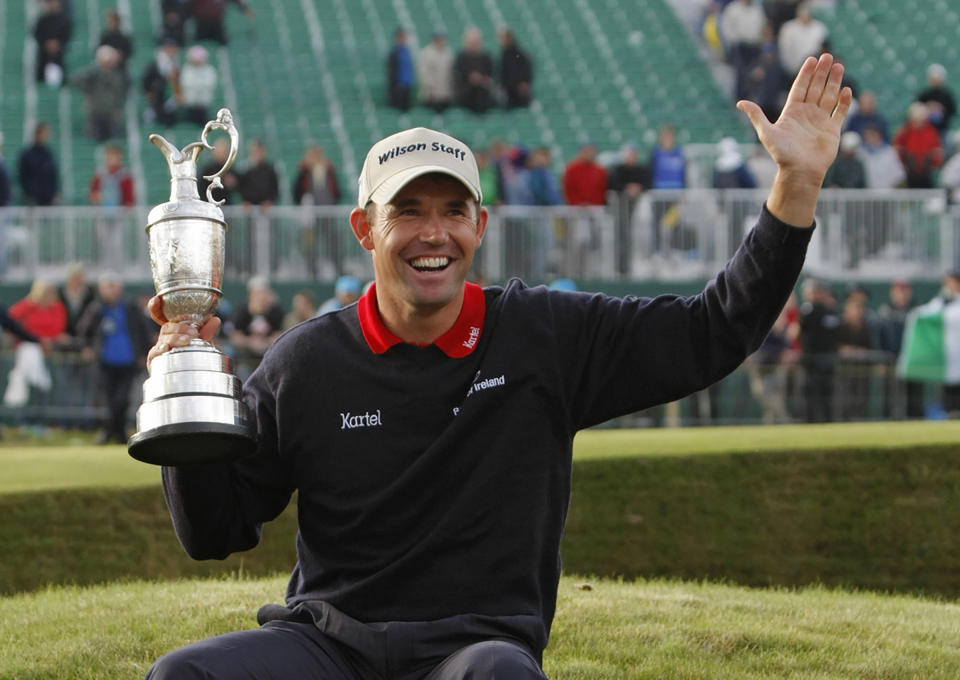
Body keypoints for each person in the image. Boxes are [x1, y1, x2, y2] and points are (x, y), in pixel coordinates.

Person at [143, 54, 851, 680]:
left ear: (479, 226)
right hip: (331, 648)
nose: (433, 234)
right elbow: (214, 534)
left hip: (475, 651)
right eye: (408, 211)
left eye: (454, 211)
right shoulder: (306, 362)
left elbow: (713, 331)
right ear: (365, 227)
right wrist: (184, 406)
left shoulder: (544, 335)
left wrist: (795, 185)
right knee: (183, 674)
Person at [77, 272, 153, 444]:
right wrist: (87, 347)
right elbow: (84, 331)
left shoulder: (130, 307)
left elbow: (143, 331)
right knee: (109, 400)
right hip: (105, 362)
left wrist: (144, 353)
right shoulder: (96, 309)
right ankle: (115, 432)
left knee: (122, 398)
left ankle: (114, 432)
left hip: (128, 361)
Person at [294, 145, 342, 278]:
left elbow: (336, 190)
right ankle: (312, 270)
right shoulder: (304, 171)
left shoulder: (328, 169)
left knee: (331, 242)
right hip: (310, 215)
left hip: (327, 212)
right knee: (309, 244)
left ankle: (338, 269)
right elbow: (297, 190)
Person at [799, 276, 840, 423]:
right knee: (809, 395)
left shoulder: (829, 311)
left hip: (826, 358)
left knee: (826, 395)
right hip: (810, 359)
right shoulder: (807, 311)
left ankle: (827, 422)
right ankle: (808, 422)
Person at [228, 276, 285, 379]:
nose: (262, 297)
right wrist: (250, 342)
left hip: (268, 358)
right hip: (246, 359)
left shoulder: (275, 311)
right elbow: (234, 337)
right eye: (259, 293)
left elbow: (280, 336)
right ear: (251, 294)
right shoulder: (242, 311)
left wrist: (265, 342)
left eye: (264, 293)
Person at [69, 44, 128, 141]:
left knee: (114, 141)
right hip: (94, 114)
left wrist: (118, 108)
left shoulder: (117, 76)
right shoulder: (92, 74)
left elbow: (120, 94)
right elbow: (75, 80)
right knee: (93, 140)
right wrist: (95, 70)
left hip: (111, 115)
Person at [893, 101, 944, 188]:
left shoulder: (931, 131)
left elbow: (937, 151)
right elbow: (898, 149)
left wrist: (934, 162)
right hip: (909, 170)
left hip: (927, 170)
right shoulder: (905, 131)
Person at [777, 2, 828, 77]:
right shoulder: (788, 28)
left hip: (814, 66)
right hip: (791, 68)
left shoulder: (819, 27)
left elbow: (823, 48)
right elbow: (785, 49)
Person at [17, 122, 59, 206]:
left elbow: (53, 175)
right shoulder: (27, 154)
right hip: (32, 199)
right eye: (44, 133)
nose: (46, 136)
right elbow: (23, 176)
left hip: (48, 199)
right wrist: (30, 193)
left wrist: (54, 192)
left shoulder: (48, 153)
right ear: (37, 134)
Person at [454, 27, 494, 113]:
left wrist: (481, 79)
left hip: (483, 98)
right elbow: (457, 75)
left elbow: (491, 75)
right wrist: (470, 78)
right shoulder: (461, 57)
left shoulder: (486, 57)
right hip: (465, 98)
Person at [142, 39, 181, 126]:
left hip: (169, 97)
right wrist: (149, 93)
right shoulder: (155, 64)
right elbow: (146, 80)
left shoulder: (176, 64)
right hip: (157, 97)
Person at [34, 0, 72, 85]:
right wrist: (46, 43)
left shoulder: (64, 20)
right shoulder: (42, 20)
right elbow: (37, 34)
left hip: (59, 51)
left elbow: (67, 35)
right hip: (44, 52)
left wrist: (58, 43)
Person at [179, 45, 217, 126]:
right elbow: (187, 84)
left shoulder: (209, 70)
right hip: (190, 105)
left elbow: (209, 85)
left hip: (204, 105)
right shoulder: (187, 70)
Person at [916, 63, 956, 138]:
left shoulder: (947, 95)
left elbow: (953, 111)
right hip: (925, 129)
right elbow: (915, 110)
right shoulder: (924, 94)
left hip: (942, 129)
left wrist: (942, 109)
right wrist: (927, 108)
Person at [418, 33, 455, 112]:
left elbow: (450, 73)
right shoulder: (426, 53)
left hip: (445, 94)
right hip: (431, 94)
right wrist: (431, 86)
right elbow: (424, 74)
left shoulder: (447, 53)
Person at [562, 142, 607, 206]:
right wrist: (576, 202)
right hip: (576, 208)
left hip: (596, 207)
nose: (589, 153)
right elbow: (569, 189)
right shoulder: (572, 169)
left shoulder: (600, 170)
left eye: (591, 151)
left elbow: (602, 190)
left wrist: (595, 203)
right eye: (586, 151)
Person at [498, 28, 533, 109]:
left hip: (519, 92)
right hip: (509, 92)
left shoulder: (519, 54)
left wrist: (524, 81)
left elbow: (525, 69)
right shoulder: (504, 54)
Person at [97, 8, 133, 80]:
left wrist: (118, 56)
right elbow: (98, 50)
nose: (110, 23)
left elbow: (129, 51)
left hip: (120, 69)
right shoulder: (104, 36)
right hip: (107, 69)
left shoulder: (124, 37)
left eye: (112, 21)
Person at [386, 28, 415, 112]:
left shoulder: (406, 51)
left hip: (407, 85)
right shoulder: (394, 52)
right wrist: (396, 85)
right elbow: (391, 71)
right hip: (398, 87)